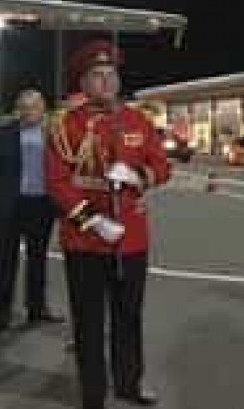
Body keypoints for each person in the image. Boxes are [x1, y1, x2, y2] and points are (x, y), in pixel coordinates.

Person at [45, 39, 169, 409]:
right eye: (97, 75)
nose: (107, 81)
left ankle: (129, 383)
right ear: (82, 82)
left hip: (131, 240)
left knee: (128, 317)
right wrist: (92, 221)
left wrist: (138, 176)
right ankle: (93, 394)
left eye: (111, 73)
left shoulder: (138, 120)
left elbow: (162, 166)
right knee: (88, 321)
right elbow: (57, 183)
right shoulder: (65, 125)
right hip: (85, 240)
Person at [0, 89, 65, 331]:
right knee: (4, 261)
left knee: (38, 258)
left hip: (42, 205)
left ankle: (37, 309)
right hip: (11, 205)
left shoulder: (54, 134)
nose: (29, 112)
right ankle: (2, 313)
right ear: (18, 109)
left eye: (34, 107)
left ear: (43, 108)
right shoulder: (5, 132)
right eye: (24, 107)